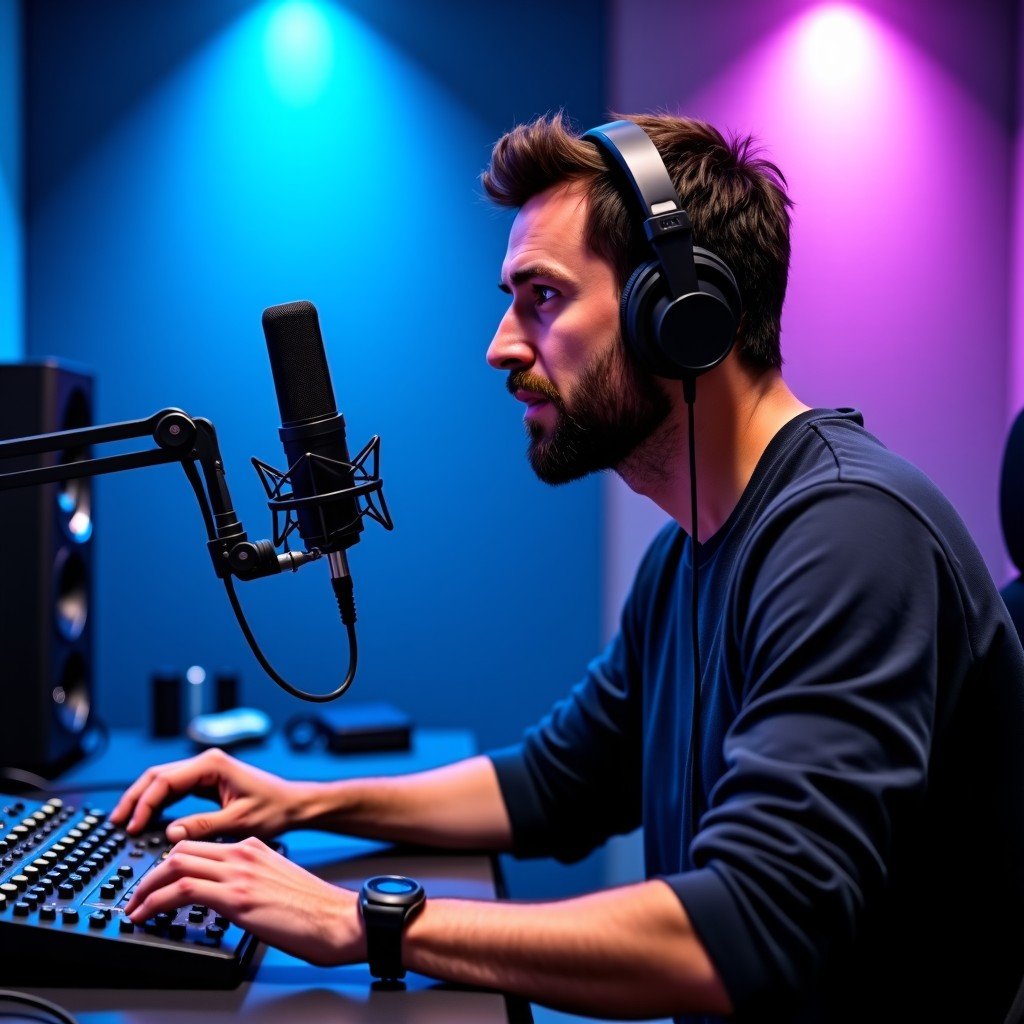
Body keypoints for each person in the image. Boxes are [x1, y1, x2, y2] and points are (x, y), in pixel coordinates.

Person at [111, 113, 1024, 1023]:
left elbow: (748, 927)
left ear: (682, 317)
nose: (501, 346)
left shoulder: (851, 539)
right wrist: (301, 805)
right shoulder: (686, 554)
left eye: (542, 297)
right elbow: (553, 784)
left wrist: (360, 921)